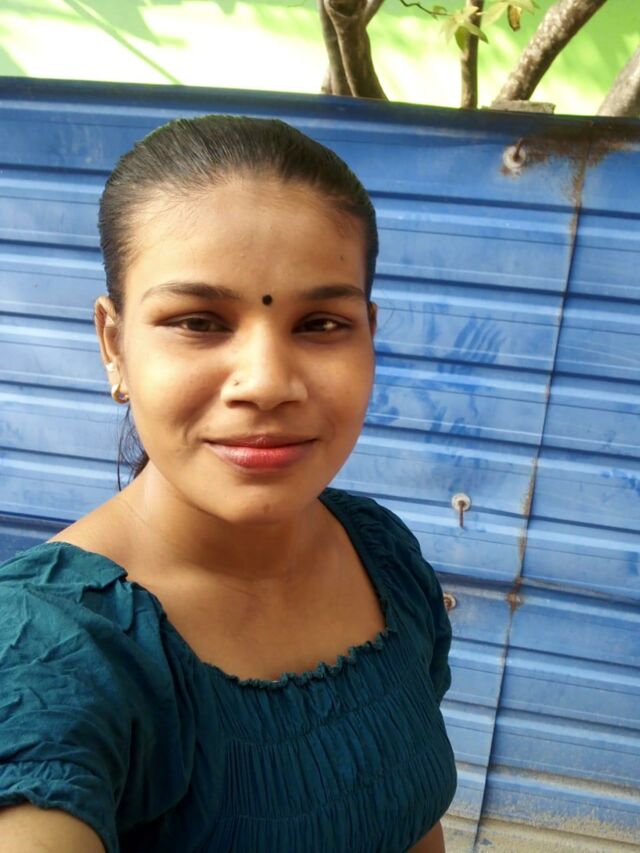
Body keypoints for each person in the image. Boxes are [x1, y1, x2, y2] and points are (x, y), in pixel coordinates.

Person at [0, 115, 457, 852]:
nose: (267, 383)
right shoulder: (47, 655)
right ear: (114, 345)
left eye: (321, 324)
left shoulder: (383, 556)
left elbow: (412, 820)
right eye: (199, 321)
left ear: (370, 334)